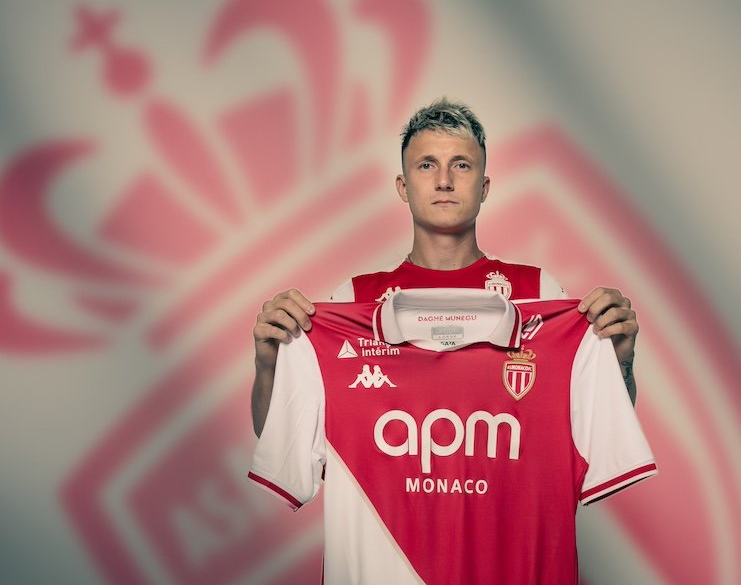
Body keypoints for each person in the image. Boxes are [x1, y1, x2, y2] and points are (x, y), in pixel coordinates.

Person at [251, 98, 638, 435]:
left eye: (461, 165)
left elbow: (598, 431)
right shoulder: (354, 299)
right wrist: (267, 365)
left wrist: (620, 359)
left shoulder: (539, 292)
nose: (444, 181)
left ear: (484, 188)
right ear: (403, 187)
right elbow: (286, 440)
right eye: (426, 165)